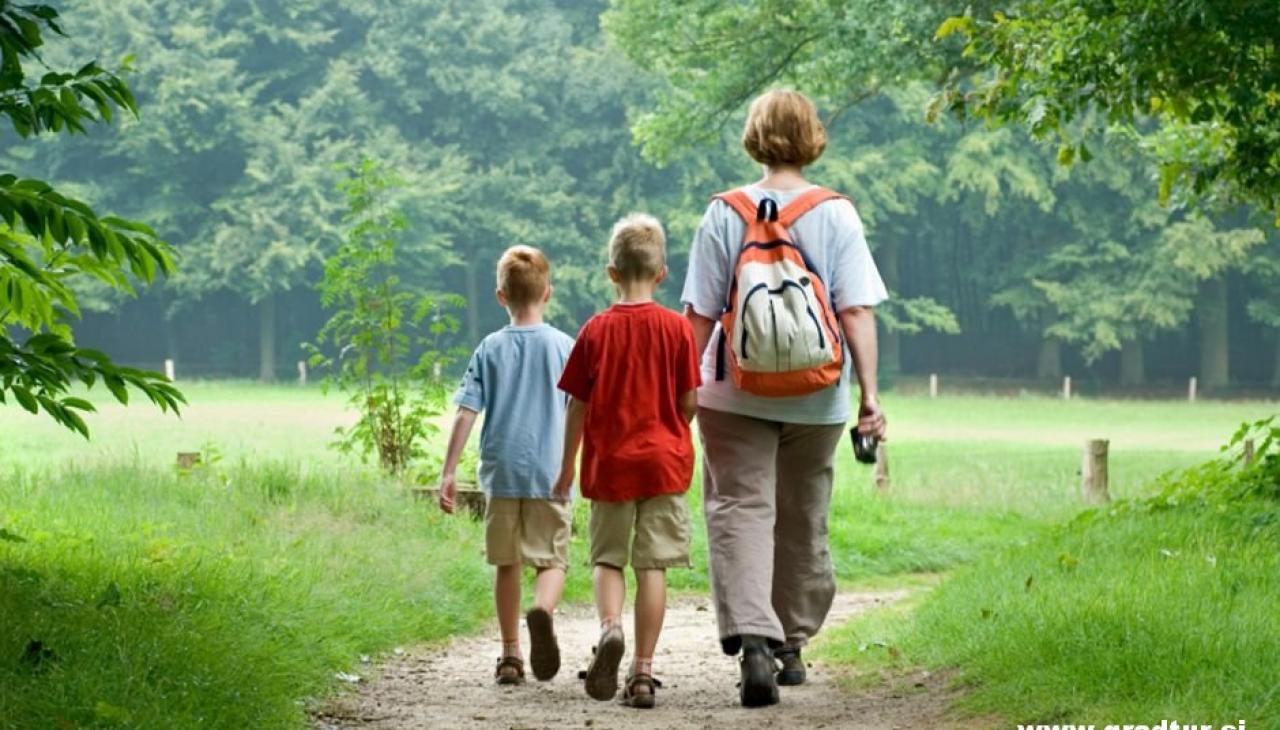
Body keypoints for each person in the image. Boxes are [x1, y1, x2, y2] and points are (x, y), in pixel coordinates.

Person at [681, 88, 889, 707]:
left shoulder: (724, 211)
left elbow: (696, 315)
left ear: (754, 137)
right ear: (812, 137)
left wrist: (681, 387)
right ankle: (790, 643)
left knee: (740, 509)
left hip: (731, 390)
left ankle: (753, 638)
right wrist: (870, 397)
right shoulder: (837, 213)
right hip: (817, 394)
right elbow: (855, 311)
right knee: (801, 513)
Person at [552, 213, 701, 710]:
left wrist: (566, 466)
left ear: (611, 273)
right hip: (663, 464)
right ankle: (641, 672)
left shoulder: (594, 331)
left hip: (610, 465)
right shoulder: (678, 329)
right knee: (652, 564)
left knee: (608, 558)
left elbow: (577, 406)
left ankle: (610, 627)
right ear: (662, 274)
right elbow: (689, 403)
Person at [438, 245, 576, 686]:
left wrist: (448, 471)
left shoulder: (489, 348)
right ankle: (543, 610)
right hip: (551, 473)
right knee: (552, 559)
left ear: (501, 296)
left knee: (507, 564)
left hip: (502, 474)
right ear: (548, 293)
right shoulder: (564, 347)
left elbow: (465, 412)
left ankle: (512, 655)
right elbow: (583, 410)